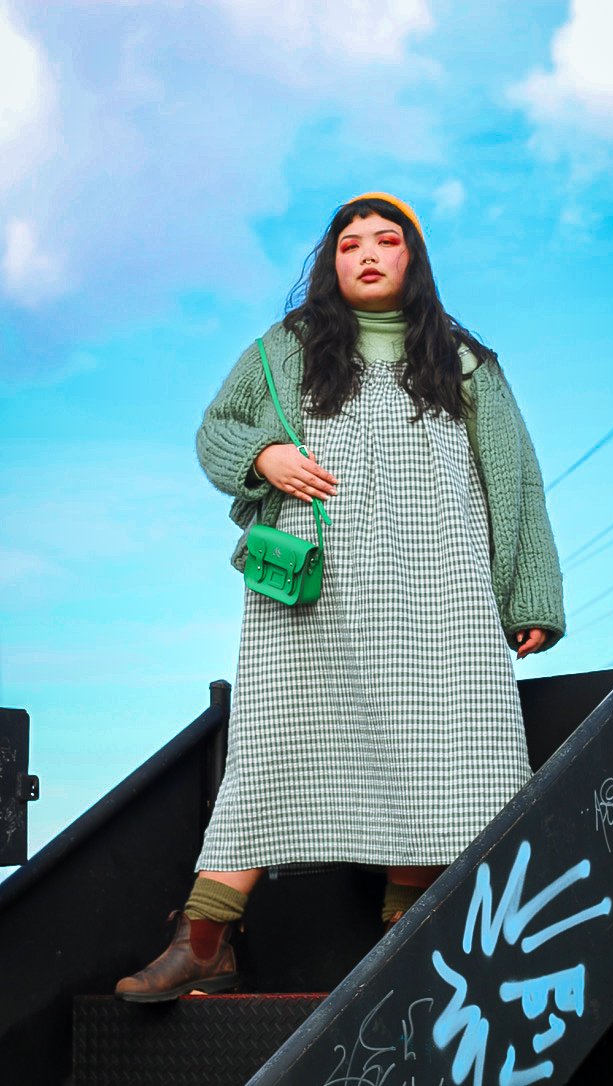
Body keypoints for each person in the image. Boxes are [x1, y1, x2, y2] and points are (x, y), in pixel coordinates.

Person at [115, 192, 564, 1002]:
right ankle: (206, 937)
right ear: (330, 263)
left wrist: (526, 594)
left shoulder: (468, 365)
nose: (365, 253)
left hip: (439, 592)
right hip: (311, 595)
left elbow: (517, 484)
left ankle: (409, 940)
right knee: (270, 749)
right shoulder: (282, 351)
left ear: (412, 261)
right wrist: (266, 456)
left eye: (386, 241)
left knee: (436, 752)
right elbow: (217, 429)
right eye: (348, 242)